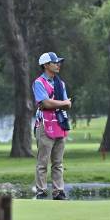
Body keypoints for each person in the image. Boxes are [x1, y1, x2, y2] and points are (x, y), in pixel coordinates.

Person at [32, 51, 73, 200]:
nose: (58, 64)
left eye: (58, 62)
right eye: (55, 62)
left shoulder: (60, 83)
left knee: (58, 162)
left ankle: (58, 191)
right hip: (44, 125)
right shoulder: (39, 83)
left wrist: (60, 104)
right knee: (43, 162)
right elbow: (45, 103)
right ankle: (41, 191)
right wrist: (63, 103)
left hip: (60, 124)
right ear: (46, 65)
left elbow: (67, 105)